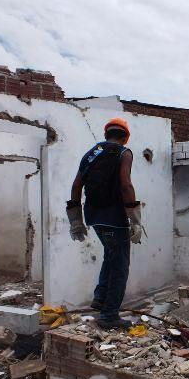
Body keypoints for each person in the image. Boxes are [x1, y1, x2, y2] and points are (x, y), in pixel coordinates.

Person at [66, 117, 144, 330]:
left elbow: (76, 185)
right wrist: (135, 220)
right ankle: (109, 315)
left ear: (106, 133)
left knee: (110, 255)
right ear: (125, 137)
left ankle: (100, 299)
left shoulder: (91, 153)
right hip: (115, 218)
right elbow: (126, 184)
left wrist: (75, 220)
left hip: (93, 217)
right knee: (120, 265)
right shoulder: (123, 153)